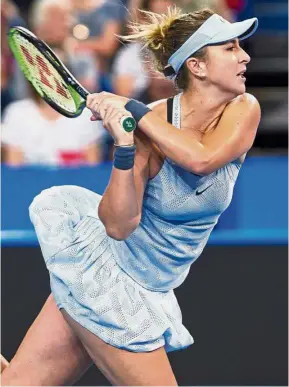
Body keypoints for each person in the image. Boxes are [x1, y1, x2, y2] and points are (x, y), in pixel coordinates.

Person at [1, 6, 261, 386]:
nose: (245, 56)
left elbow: (201, 158)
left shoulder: (243, 108)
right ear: (197, 66)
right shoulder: (146, 127)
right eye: (230, 48)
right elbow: (118, 225)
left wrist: (135, 112)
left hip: (150, 283)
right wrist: (125, 147)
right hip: (110, 278)